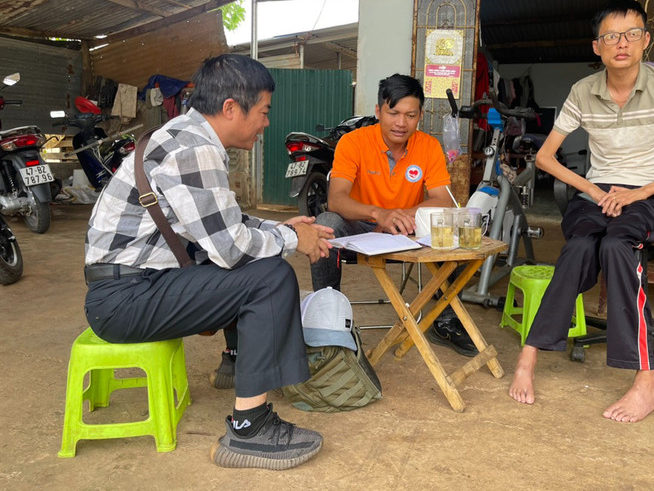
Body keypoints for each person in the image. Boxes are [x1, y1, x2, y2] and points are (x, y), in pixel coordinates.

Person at [84, 54, 334, 470]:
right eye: (264, 112)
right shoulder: (193, 149)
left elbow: (218, 223)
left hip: (128, 289)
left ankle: (235, 366)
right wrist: (293, 238)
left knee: (258, 258)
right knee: (269, 276)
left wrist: (281, 227)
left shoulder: (184, 136)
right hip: (124, 300)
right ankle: (249, 428)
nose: (266, 123)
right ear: (232, 108)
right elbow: (232, 248)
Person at [508, 0, 654, 423]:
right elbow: (546, 159)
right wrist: (595, 189)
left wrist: (648, 189)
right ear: (597, 47)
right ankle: (529, 357)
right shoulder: (582, 92)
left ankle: (647, 380)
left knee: (615, 245)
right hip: (598, 194)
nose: (621, 43)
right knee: (576, 250)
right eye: (610, 36)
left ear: (645, 40)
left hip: (651, 196)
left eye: (631, 34)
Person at [313, 73, 478, 356]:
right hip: (360, 226)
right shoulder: (353, 142)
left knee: (460, 230)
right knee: (325, 225)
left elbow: (442, 200)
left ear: (420, 116)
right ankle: (328, 320)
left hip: (407, 228)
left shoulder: (428, 146)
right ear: (378, 111)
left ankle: (445, 319)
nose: (401, 123)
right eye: (393, 113)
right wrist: (380, 215)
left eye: (410, 115)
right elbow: (337, 199)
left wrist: (400, 217)